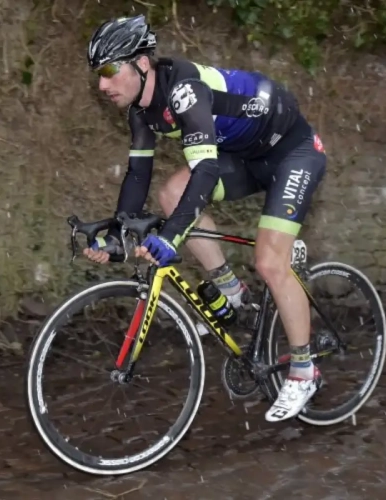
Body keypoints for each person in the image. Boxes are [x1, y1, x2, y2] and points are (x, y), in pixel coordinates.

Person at [82, 15, 327, 423]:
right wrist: (117, 234)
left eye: (109, 70)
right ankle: (231, 291)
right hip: (247, 156)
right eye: (98, 74)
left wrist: (172, 236)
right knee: (170, 192)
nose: (102, 84)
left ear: (142, 63)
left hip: (293, 153)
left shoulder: (185, 91)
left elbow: (207, 171)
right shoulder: (141, 112)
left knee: (270, 261)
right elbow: (138, 174)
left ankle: (304, 371)